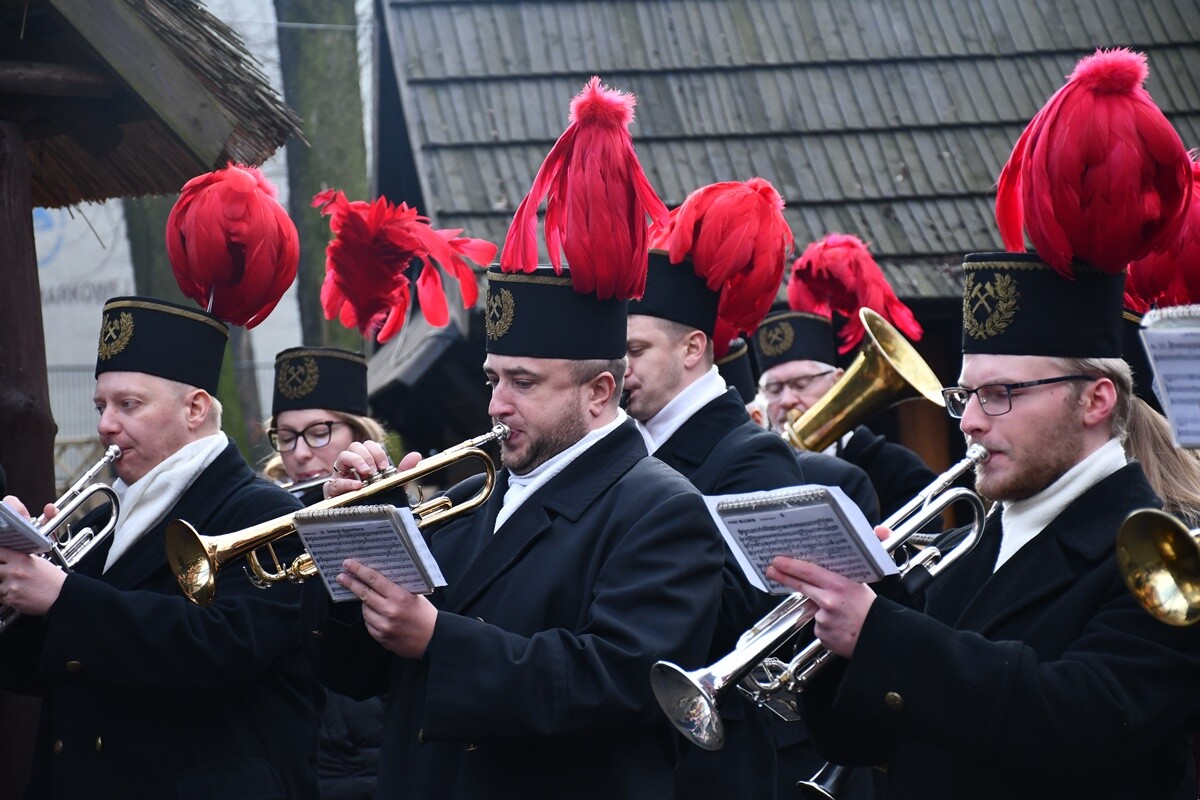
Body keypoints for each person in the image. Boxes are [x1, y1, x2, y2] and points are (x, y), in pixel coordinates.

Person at [768, 253, 1200, 799]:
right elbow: (867, 744)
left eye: (1000, 395)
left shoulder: (1166, 554)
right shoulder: (963, 546)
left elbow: (1085, 725)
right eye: (964, 396)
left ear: (1095, 399)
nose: (969, 421)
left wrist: (881, 632)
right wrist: (841, 621)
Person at [0, 296, 319, 799]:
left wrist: (64, 596)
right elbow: (39, 670)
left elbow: (224, 650)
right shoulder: (106, 516)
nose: (106, 423)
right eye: (100, 406)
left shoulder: (262, 510)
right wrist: (16, 578)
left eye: (128, 405)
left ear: (194, 408)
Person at [265, 346, 387, 800]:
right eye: (285, 436)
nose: (299, 453)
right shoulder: (264, 510)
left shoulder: (391, 500)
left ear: (358, 432)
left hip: (360, 746)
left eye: (318, 432)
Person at [753, 234, 938, 520]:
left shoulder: (895, 468)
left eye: (802, 384)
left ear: (837, 380)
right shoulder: (751, 465)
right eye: (774, 389)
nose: (788, 400)